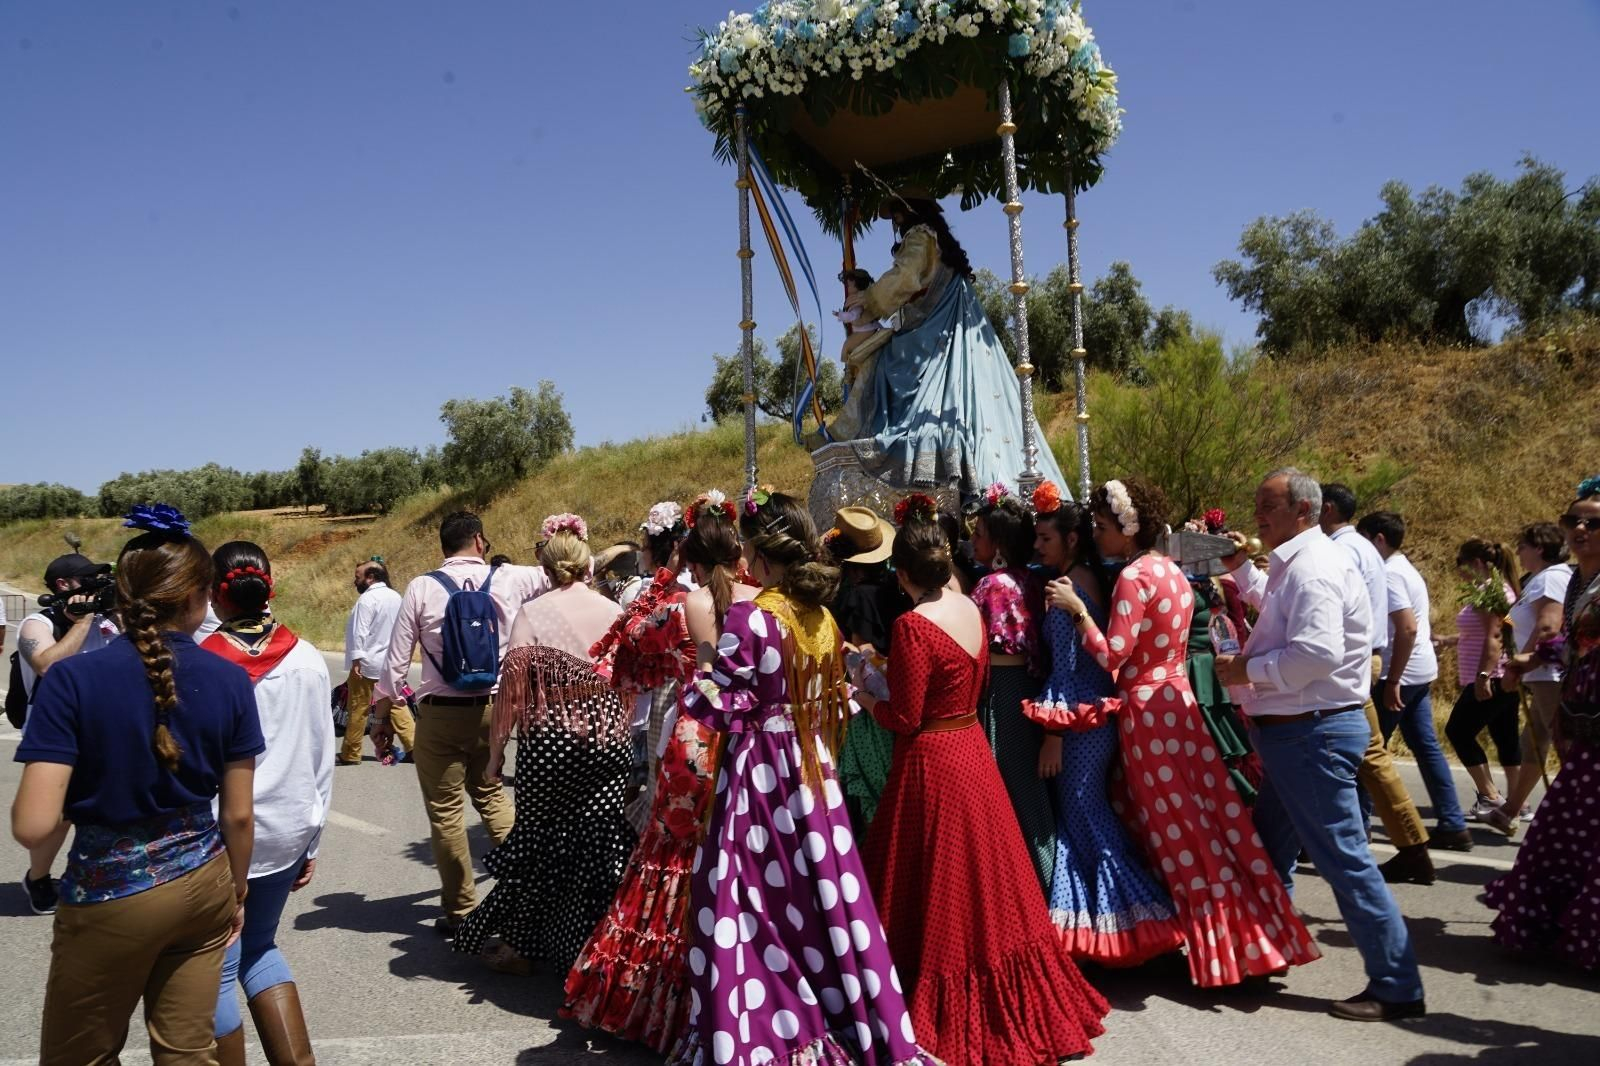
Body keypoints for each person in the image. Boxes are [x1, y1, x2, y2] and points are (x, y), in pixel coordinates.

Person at [670, 491, 938, 1066]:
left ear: (760, 557)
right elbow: (840, 697)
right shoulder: (820, 617)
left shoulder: (753, 616)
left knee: (743, 897)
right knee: (825, 894)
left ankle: (759, 1026)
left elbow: (725, 707)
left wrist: (704, 668)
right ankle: (847, 1016)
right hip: (813, 771)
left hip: (761, 772)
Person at [852, 494, 1109, 1063]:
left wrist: (866, 694)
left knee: (934, 884)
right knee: (989, 884)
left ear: (901, 574)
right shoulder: (970, 607)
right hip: (972, 749)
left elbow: (904, 718)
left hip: (934, 761)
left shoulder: (912, 626)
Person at [12, 505, 262, 1064]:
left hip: (108, 891)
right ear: (201, 599)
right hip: (205, 885)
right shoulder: (230, 680)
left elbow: (33, 826)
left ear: (119, 596)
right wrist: (237, 892)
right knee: (187, 1049)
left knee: (83, 1053)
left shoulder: (71, 680)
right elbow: (239, 816)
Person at [1049, 477, 1319, 990]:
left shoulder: (1132, 577)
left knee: (1179, 835)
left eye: (1103, 528)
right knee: (1215, 825)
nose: (1097, 536)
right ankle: (1257, 940)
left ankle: (1225, 954)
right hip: (1181, 708)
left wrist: (1078, 610)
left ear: (1126, 532)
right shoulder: (1171, 571)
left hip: (1148, 716)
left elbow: (1111, 656)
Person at [1216, 469, 1424, 1021]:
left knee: (1343, 860)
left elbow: (1314, 655)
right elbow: (1286, 619)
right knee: (1270, 851)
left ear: (1304, 511)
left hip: (1310, 732)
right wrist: (1240, 570)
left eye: (1268, 504)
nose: (1257, 513)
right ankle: (1265, 953)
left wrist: (1244, 669)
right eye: (1257, 502)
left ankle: (1397, 985)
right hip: (1301, 732)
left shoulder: (1313, 569)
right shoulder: (1302, 564)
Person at [561, 494, 747, 1053]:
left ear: (690, 559)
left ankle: (653, 999)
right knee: (722, 861)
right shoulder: (759, 601)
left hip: (691, 737)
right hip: (745, 742)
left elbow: (624, 655)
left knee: (667, 861)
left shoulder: (678, 606)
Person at [453, 514, 633, 974]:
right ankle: (592, 943)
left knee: (538, 842)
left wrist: (495, 757)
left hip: (552, 738)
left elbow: (511, 691)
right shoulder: (614, 612)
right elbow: (629, 680)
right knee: (599, 841)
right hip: (609, 735)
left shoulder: (533, 613)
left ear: (547, 568)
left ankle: (521, 945)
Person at [1023, 488, 1185, 967]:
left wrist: (1054, 733)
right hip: (1089, 719)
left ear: (1071, 539)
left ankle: (1136, 920)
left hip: (1081, 723)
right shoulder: (1080, 579)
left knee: (1083, 815)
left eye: (1045, 537)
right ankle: (1103, 928)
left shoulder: (1074, 587)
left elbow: (1074, 668)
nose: (1037, 546)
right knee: (1083, 816)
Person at [816, 194, 1069, 498]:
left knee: (885, 362)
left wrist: (869, 299)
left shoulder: (920, 236)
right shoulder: (937, 241)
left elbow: (905, 277)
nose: (895, 222)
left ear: (910, 212)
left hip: (936, 325)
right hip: (947, 321)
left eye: (897, 214)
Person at [371, 510, 550, 937]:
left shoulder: (421, 587)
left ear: (443, 547)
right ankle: (526, 895)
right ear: (479, 540)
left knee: (446, 814)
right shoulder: (510, 579)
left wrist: (382, 719)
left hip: (441, 713)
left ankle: (463, 913)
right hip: (497, 709)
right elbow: (576, 569)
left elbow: (395, 667)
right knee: (491, 795)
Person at [202, 542, 333, 1066]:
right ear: (269, 586)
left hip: (217, 836)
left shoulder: (200, 663)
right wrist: (313, 836)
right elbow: (322, 756)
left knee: (214, 965)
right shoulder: (306, 657)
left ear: (215, 594)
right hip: (287, 830)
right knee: (259, 947)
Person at [1483, 477, 1600, 971]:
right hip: (1581, 707)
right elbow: (1563, 642)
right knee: (1569, 822)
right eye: (1571, 520)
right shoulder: (1573, 579)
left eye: (1593, 523)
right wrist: (1524, 662)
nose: (1579, 528)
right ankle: (1555, 921)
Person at [1319, 483, 1440, 885]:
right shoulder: (1364, 548)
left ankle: (1400, 848)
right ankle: (1410, 846)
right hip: (1359, 660)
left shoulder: (1341, 550)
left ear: (1327, 508)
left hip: (1342, 663)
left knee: (1339, 752)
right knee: (1367, 756)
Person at [14, 553, 121, 916]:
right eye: (87, 580)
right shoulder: (37, 622)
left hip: (101, 728)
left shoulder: (109, 619)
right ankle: (39, 878)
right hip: (53, 731)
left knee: (101, 807)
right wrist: (83, 620)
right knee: (55, 817)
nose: (95, 587)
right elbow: (48, 665)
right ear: (63, 585)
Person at [1356, 512, 1468, 849]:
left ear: (1378, 539)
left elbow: (1407, 627)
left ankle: (1360, 830)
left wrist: (1392, 681)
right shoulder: (1406, 568)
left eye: (1363, 538)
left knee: (1366, 753)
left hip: (1399, 673)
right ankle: (1452, 823)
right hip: (1418, 670)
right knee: (1426, 747)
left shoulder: (1389, 573)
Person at [967, 482, 1055, 892]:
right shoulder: (1032, 581)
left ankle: (1037, 883)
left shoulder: (991, 586)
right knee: (1029, 788)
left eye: (979, 534)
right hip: (1033, 687)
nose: (972, 541)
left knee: (1014, 786)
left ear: (999, 542)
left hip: (1003, 690)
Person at [827, 505, 909, 831]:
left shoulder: (857, 596)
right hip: (896, 692)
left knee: (868, 789)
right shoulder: (895, 586)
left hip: (869, 699)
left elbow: (863, 653)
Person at [1493, 521, 1573, 835]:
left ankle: (1573, 815)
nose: (1520, 554)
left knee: (1566, 745)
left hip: (1548, 675)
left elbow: (1547, 627)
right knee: (1535, 742)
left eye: (1523, 547)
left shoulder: (1550, 578)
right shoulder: (1544, 579)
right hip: (1541, 674)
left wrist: (1518, 665)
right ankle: (1510, 810)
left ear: (1539, 548)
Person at [1436, 538, 1522, 824]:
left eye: (1460, 565)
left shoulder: (1490, 591)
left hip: (1491, 676)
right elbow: (1488, 632)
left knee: (1458, 731)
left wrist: (1483, 676)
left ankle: (1491, 796)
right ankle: (1516, 802)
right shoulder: (1504, 590)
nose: (1458, 573)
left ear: (1475, 564)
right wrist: (1448, 640)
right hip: (1501, 674)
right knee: (1505, 736)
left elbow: (1495, 637)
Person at [340, 560, 409, 766]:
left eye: (358, 577)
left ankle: (351, 753)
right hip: (390, 663)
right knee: (395, 705)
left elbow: (360, 631)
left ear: (371, 577)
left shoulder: (367, 600)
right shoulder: (396, 597)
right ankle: (414, 746)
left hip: (368, 663)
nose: (355, 581)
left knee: (358, 708)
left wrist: (357, 659)